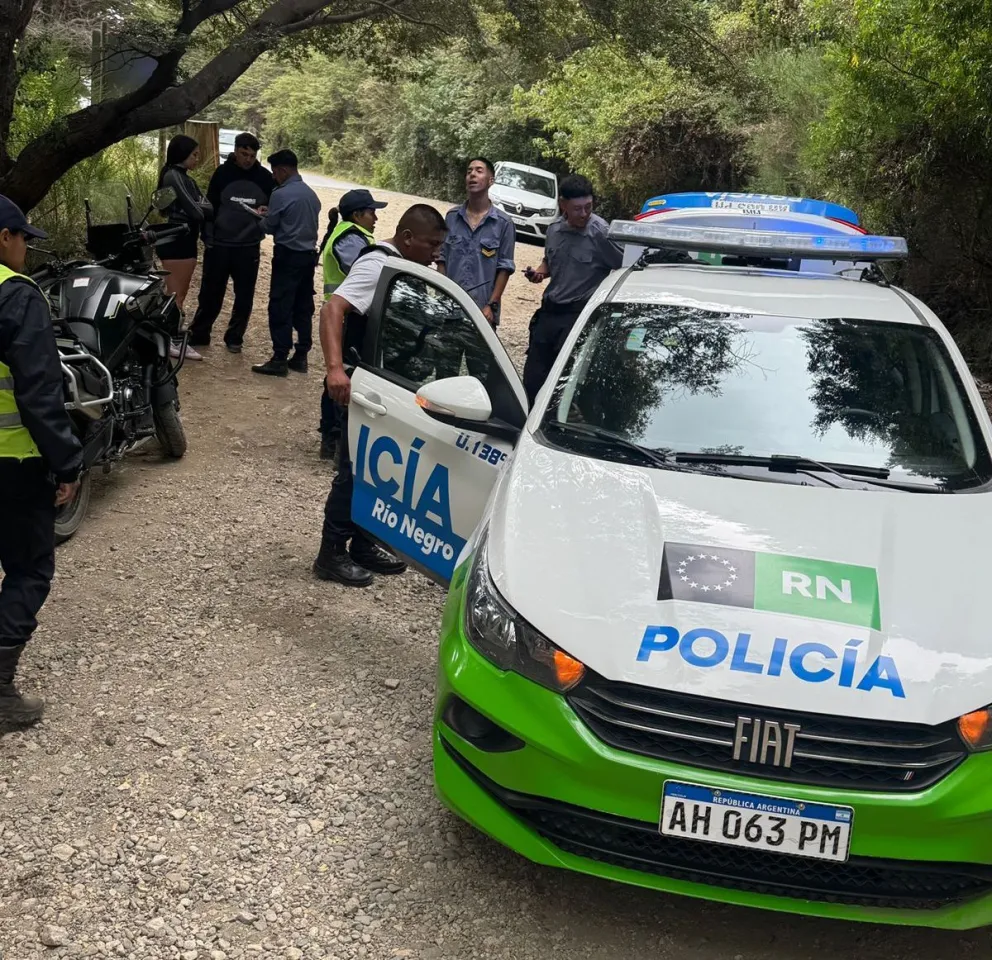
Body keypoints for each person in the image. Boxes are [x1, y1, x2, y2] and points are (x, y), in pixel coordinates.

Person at [314, 204, 447, 587]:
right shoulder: (377, 265)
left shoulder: (408, 264)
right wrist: (335, 369)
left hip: (390, 385)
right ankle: (331, 553)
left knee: (378, 471)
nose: (436, 251)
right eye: (431, 244)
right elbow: (332, 309)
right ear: (407, 238)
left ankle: (362, 543)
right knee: (354, 471)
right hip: (364, 385)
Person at [0, 195, 83, 724]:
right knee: (29, 568)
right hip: (12, 461)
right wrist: (68, 462)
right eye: (23, 238)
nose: (26, 248)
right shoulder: (14, 295)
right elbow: (39, 391)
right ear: (4, 237)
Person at [522, 174, 623, 403]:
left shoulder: (600, 233)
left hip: (576, 317)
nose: (584, 214)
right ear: (563, 205)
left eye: (588, 207)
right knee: (533, 379)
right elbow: (549, 261)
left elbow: (623, 267)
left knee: (562, 385)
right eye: (578, 209)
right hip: (548, 314)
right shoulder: (554, 230)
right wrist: (539, 272)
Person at [188, 132, 276, 354]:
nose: (248, 159)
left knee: (244, 295)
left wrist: (265, 216)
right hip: (220, 244)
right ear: (236, 151)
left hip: (248, 246)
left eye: (252, 155)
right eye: (244, 153)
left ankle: (235, 337)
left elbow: (273, 210)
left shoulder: (265, 178)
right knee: (210, 291)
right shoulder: (222, 174)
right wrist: (207, 235)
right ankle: (200, 333)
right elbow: (209, 206)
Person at [317, 188, 388, 461]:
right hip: (344, 317)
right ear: (358, 214)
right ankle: (333, 438)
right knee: (340, 377)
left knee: (341, 376)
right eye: (372, 212)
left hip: (346, 314)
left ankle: (333, 437)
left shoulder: (353, 234)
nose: (376, 218)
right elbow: (362, 273)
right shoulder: (349, 237)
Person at [252, 149, 321, 377]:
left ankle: (280, 357)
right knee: (303, 305)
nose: (274, 177)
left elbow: (271, 227)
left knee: (280, 304)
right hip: (308, 257)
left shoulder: (280, 194)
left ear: (283, 170)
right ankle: (301, 355)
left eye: (275, 172)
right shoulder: (311, 195)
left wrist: (259, 218)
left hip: (288, 256)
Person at [437, 157, 515, 327]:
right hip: (451, 310)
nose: (472, 174)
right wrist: (442, 297)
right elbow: (441, 259)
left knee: (478, 355)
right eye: (469, 171)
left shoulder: (504, 224)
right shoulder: (452, 217)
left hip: (482, 312)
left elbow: (505, 268)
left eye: (479, 171)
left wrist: (491, 306)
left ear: (491, 180)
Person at [156, 135, 213, 361]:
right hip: (177, 241)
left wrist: (202, 208)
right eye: (194, 155)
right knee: (175, 296)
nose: (197, 159)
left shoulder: (184, 178)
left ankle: (171, 338)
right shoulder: (173, 175)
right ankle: (173, 340)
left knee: (179, 294)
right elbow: (198, 211)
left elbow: (207, 206)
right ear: (182, 155)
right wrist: (201, 208)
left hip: (186, 241)